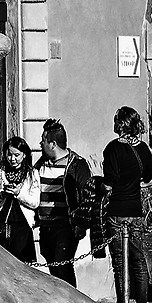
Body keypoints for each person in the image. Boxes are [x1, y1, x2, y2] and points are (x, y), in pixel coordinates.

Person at [103, 106, 152, 303]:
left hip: (117, 210)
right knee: (138, 260)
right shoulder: (143, 148)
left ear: (119, 124)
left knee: (120, 263)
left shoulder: (112, 149)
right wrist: (137, 185)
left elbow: (108, 184)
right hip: (135, 210)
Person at [33, 119, 97, 287]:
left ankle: (72, 299)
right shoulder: (41, 164)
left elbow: (88, 196)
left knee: (63, 266)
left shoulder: (76, 165)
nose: (40, 143)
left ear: (53, 144)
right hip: (45, 226)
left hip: (65, 226)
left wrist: (81, 224)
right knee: (53, 267)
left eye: (43, 140)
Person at [0, 136, 40, 263]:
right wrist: (1, 194)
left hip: (22, 225)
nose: (12, 159)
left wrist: (18, 193)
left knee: (21, 264)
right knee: (0, 262)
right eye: (9, 154)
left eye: (17, 155)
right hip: (1, 224)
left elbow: (35, 202)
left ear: (24, 155)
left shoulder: (32, 173)